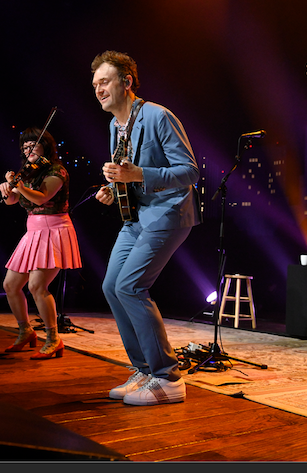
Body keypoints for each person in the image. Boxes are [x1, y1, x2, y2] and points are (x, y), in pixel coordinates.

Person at [91, 50, 201, 406]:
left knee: (131, 285)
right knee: (111, 286)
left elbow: (190, 172)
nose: (98, 89)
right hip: (137, 216)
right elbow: (127, 174)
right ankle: (144, 369)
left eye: (104, 81)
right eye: (94, 84)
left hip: (168, 213)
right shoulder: (114, 126)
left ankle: (168, 378)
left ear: (127, 82)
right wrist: (113, 188)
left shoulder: (157, 116)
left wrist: (139, 175)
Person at [0, 127, 82, 359]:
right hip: (33, 231)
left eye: (33, 144)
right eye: (24, 147)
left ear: (45, 146)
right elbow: (12, 201)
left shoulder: (57, 171)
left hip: (54, 230)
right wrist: (7, 189)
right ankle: (26, 331)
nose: (28, 149)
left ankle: (54, 338)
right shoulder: (27, 173)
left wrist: (20, 187)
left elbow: (42, 197)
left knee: (37, 286)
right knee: (10, 285)